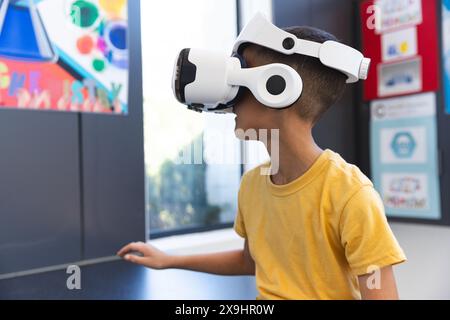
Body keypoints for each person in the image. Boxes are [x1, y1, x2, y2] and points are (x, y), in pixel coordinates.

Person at [118, 25, 406, 300]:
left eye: (241, 71)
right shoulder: (253, 185)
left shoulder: (349, 194)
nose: (229, 95)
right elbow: (251, 261)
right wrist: (170, 260)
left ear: (277, 86)